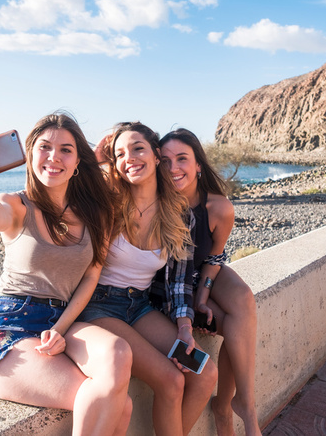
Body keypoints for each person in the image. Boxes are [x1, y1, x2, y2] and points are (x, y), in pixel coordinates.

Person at [0, 113, 132, 436]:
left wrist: (59, 327)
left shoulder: (95, 214)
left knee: (119, 353)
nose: (54, 157)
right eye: (44, 147)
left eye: (66, 150)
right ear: (30, 154)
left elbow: (90, 277)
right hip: (10, 326)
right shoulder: (16, 206)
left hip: (62, 321)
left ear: (77, 163)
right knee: (116, 403)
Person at [79, 121, 217, 435]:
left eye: (138, 148)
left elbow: (180, 281)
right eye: (120, 154)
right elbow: (71, 181)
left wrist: (184, 328)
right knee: (171, 381)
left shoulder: (180, 214)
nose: (130, 157)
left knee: (205, 372)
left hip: (139, 308)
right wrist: (97, 156)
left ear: (156, 156)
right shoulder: (108, 201)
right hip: (99, 308)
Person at [160, 129, 261, 436]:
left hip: (201, 272)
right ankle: (225, 408)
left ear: (198, 164)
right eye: (164, 161)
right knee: (229, 321)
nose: (173, 168)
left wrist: (202, 298)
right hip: (168, 283)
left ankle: (241, 401)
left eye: (182, 159)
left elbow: (214, 260)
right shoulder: (157, 202)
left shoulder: (219, 208)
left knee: (243, 299)